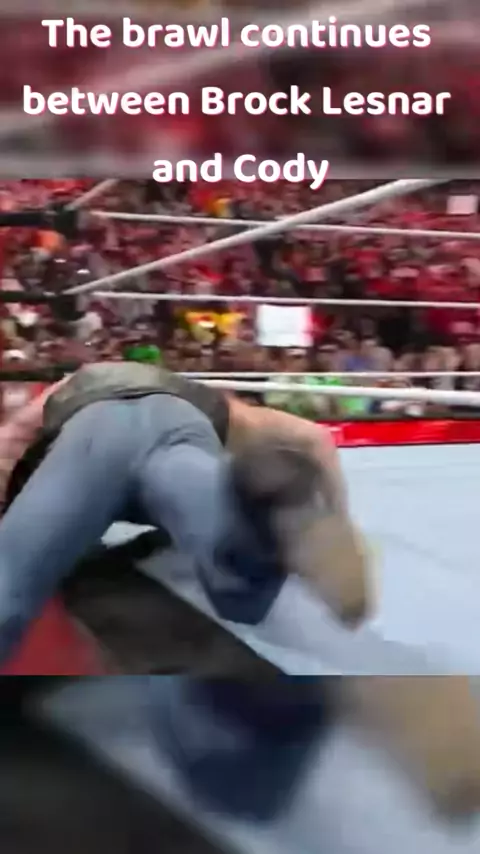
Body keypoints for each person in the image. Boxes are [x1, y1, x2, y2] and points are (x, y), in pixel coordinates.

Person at [0, 360, 370, 664]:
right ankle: (251, 519)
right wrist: (341, 520)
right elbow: (313, 437)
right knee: (225, 535)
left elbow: (10, 440)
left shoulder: (70, 387)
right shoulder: (203, 396)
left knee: (11, 577)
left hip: (96, 429)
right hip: (181, 425)